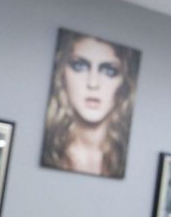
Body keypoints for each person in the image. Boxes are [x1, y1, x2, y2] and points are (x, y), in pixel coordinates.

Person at [40, 29, 139, 178]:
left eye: (109, 71)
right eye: (80, 66)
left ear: (123, 82)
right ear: (62, 74)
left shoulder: (124, 158)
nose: (93, 83)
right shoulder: (50, 152)